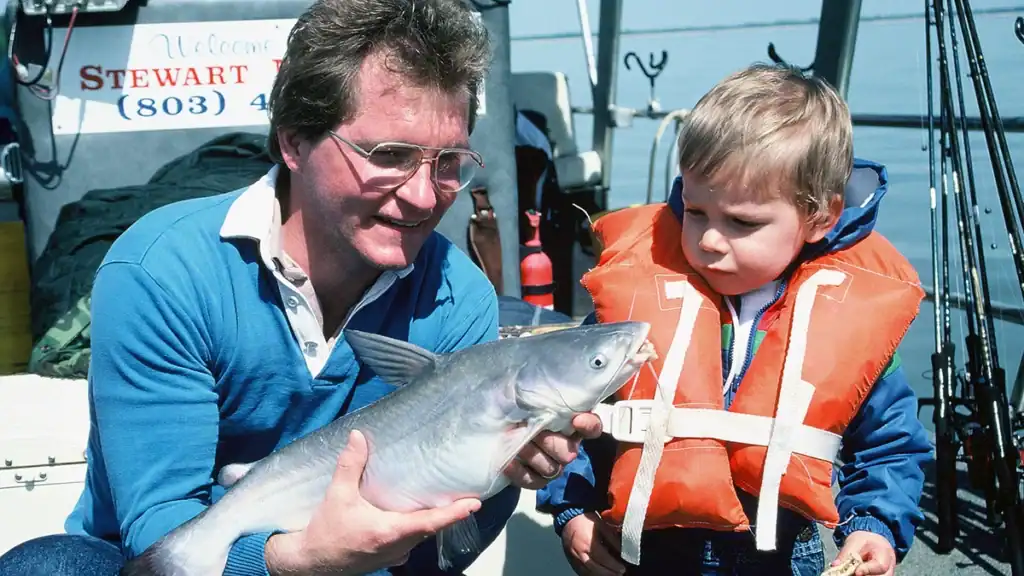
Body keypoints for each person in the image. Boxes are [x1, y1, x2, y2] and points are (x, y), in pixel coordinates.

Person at [0, 1, 602, 575]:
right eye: (389, 155)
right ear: (293, 142)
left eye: (448, 163)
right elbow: (162, 530)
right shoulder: (163, 272)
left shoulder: (458, 295)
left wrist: (508, 459)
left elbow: (438, 545)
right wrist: (298, 561)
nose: (424, 197)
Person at [536, 63, 934, 576]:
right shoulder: (635, 305)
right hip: (647, 550)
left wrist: (873, 526)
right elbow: (570, 411)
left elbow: (890, 445)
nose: (708, 240)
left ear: (820, 216)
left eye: (741, 222)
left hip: (783, 555)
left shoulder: (847, 318)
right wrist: (572, 510)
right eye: (695, 211)